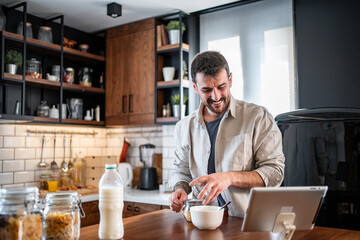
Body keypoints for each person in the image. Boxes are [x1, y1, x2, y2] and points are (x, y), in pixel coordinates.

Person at [168, 51, 285, 217]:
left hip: (249, 222)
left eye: (221, 87)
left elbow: (275, 173)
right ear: (195, 87)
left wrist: (229, 178)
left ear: (230, 80)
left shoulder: (258, 117)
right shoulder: (184, 127)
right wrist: (180, 189)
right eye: (207, 90)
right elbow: (180, 170)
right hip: (201, 221)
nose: (216, 96)